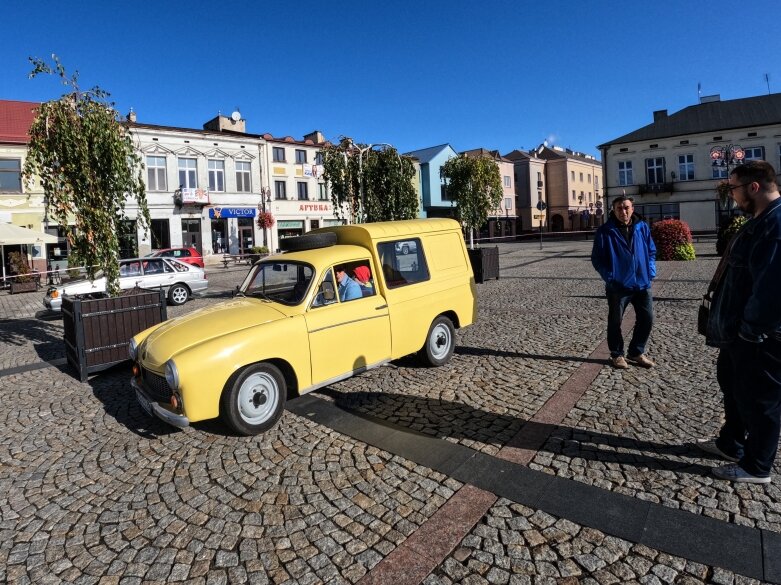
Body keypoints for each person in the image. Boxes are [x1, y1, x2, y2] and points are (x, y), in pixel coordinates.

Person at [698, 160, 781, 484]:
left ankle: (756, 466)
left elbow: (772, 292)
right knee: (733, 385)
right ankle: (731, 442)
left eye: (732, 188)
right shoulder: (760, 220)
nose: (731, 195)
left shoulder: (774, 226)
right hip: (741, 333)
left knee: (760, 399)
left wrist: (749, 332)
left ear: (754, 187)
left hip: (761, 336)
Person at [591, 195, 657, 369]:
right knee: (615, 322)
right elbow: (597, 259)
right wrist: (610, 276)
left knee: (647, 318)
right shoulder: (606, 231)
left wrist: (650, 270)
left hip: (642, 282)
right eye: (619, 208)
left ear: (632, 209)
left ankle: (636, 352)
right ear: (614, 210)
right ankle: (617, 354)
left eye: (626, 207)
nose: (623, 211)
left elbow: (651, 250)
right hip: (618, 286)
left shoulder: (641, 227)